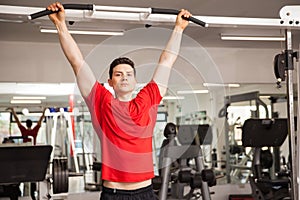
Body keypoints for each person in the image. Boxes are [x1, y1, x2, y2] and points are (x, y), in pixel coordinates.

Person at [47, 2, 191, 199]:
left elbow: (166, 60)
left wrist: (179, 28)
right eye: (118, 74)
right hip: (114, 193)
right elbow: (77, 61)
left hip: (146, 193)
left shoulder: (148, 98)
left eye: (129, 74)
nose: (124, 77)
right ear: (110, 81)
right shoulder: (101, 100)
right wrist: (60, 25)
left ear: (135, 80)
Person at [7, 107, 46, 200]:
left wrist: (13, 111)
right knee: (32, 177)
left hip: (24, 155)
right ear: (31, 124)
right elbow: (40, 121)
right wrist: (44, 111)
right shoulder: (34, 131)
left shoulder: (24, 131)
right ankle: (33, 196)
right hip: (32, 155)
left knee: (20, 175)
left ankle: (16, 192)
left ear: (26, 124)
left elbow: (17, 121)